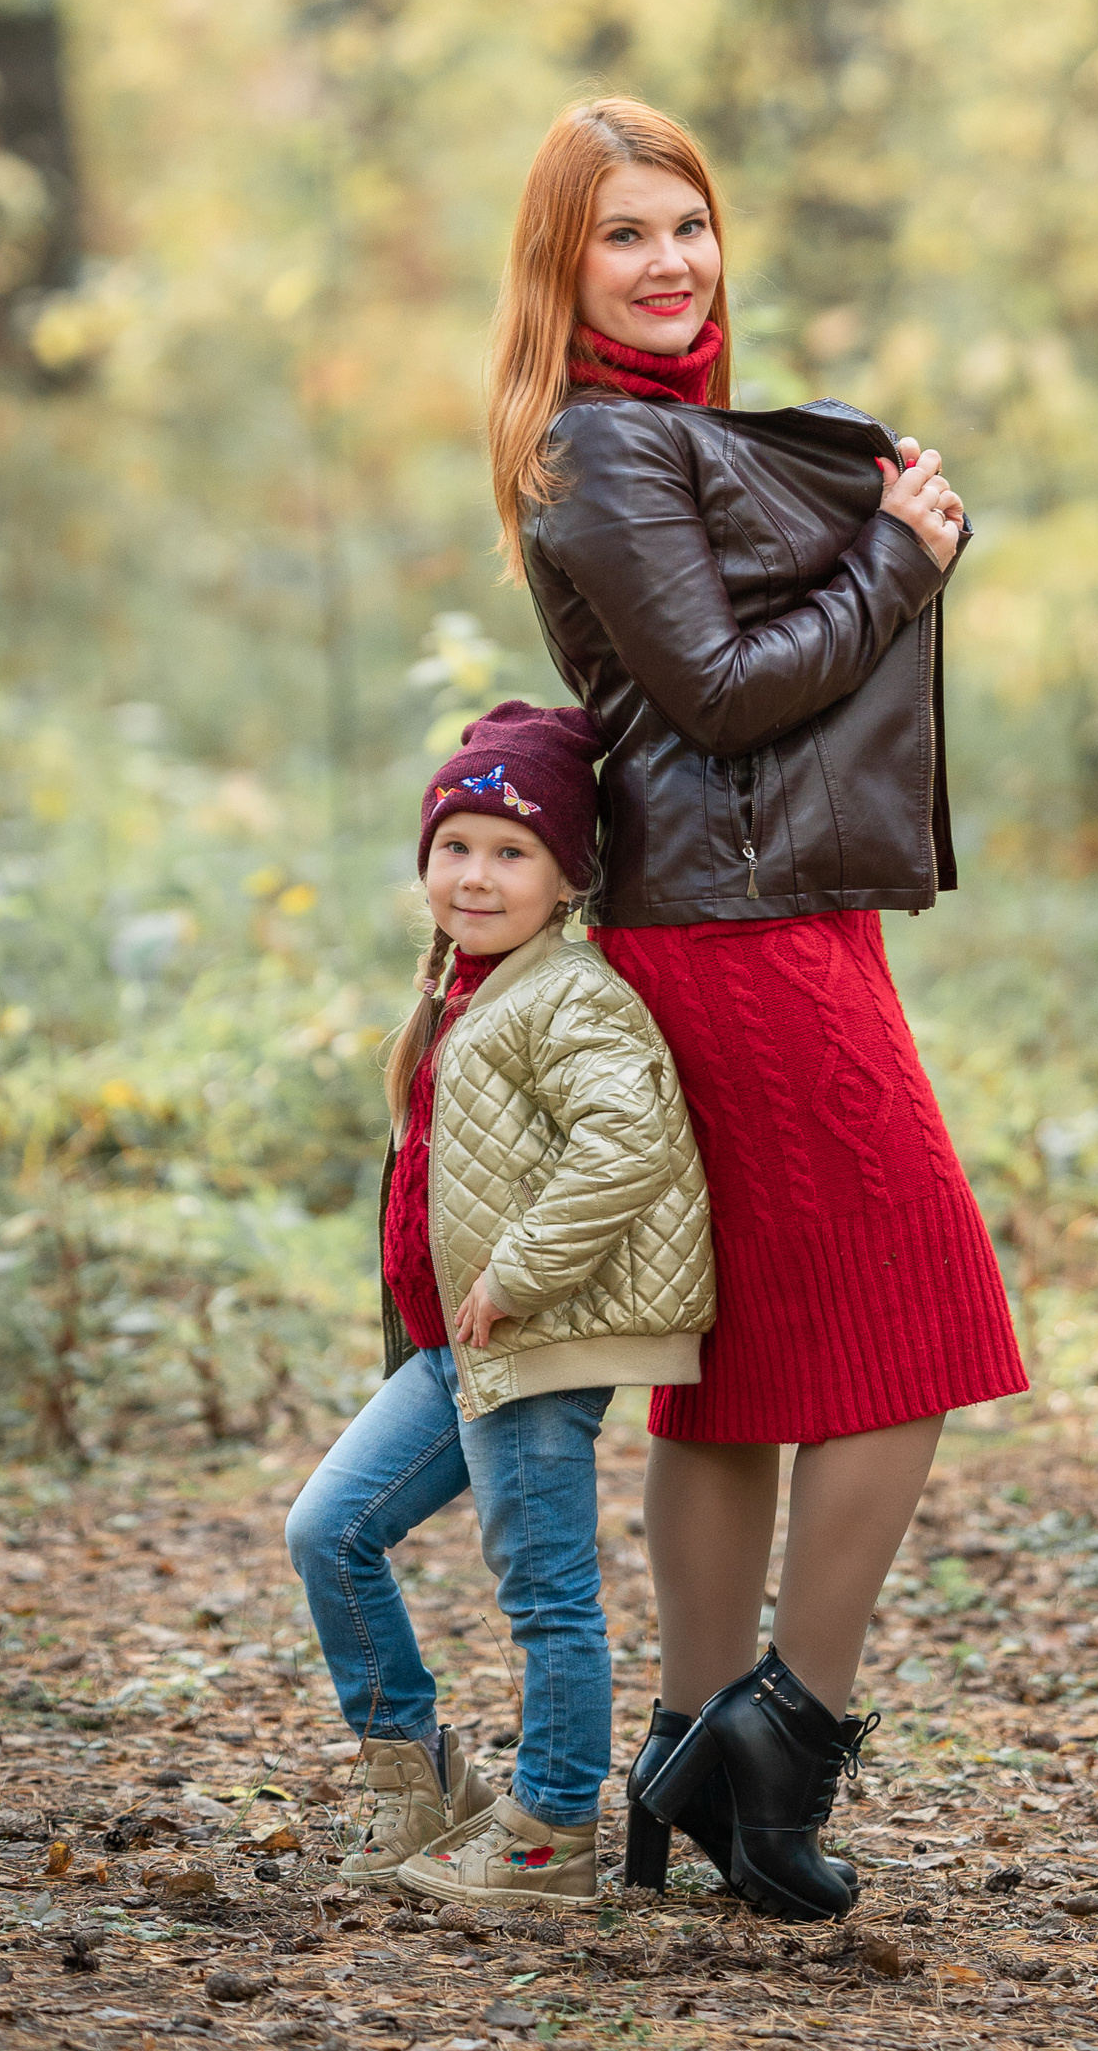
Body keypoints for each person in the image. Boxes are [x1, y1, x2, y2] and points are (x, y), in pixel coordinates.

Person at [489, 96, 1027, 1925]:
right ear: (562, 265)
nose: (667, 262)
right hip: (737, 944)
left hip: (755, 916)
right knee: (924, 1312)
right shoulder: (602, 444)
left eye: (689, 226)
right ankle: (783, 1735)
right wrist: (899, 556)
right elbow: (716, 693)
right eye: (624, 234)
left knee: (730, 1371)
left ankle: (687, 1741)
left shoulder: (663, 435)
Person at [282, 700, 714, 1912]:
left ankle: (548, 1832)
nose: (476, 873)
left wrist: (519, 1269)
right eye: (456, 843)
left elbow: (627, 1137)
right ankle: (416, 1781)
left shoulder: (568, 992)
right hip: (456, 1347)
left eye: (512, 850)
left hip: (535, 1334)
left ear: (567, 874)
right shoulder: (465, 983)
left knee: (545, 1591)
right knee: (330, 1529)